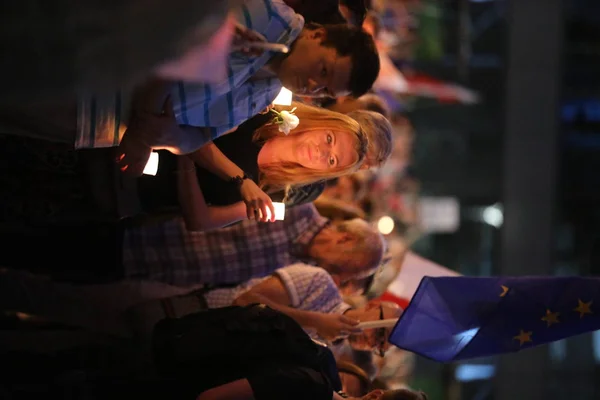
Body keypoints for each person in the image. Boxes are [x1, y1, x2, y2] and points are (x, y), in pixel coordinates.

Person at [0, 304, 428, 400]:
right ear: (373, 395)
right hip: (160, 376)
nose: (375, 343)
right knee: (60, 367)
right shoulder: (313, 385)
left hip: (165, 362)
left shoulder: (320, 375)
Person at [2, 203, 385, 288]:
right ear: (346, 237)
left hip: (135, 267)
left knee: (34, 263)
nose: (337, 274)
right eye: (345, 267)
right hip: (129, 230)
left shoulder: (296, 269)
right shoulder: (292, 207)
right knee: (27, 234)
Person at [138, 102, 392, 229]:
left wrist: (187, 156)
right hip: (138, 141)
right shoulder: (270, 112)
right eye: (330, 139)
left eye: (334, 160)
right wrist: (239, 180)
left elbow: (202, 221)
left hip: (140, 199)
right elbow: (193, 123)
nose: (323, 152)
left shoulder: (287, 189)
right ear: (333, 121)